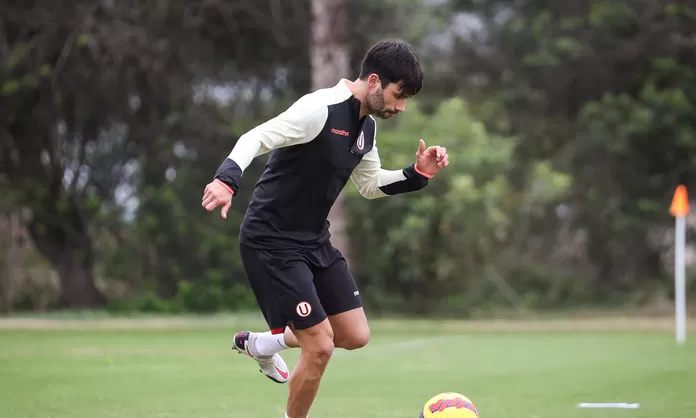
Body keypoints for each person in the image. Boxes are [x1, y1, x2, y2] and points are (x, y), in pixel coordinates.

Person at [201, 39, 449, 418]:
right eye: (400, 96)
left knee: (354, 335)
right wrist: (226, 180)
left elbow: (369, 185)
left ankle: (263, 345)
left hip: (314, 242)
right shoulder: (319, 108)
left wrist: (417, 174)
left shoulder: (366, 127)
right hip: (271, 242)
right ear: (375, 80)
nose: (401, 107)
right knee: (319, 346)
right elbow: (256, 137)